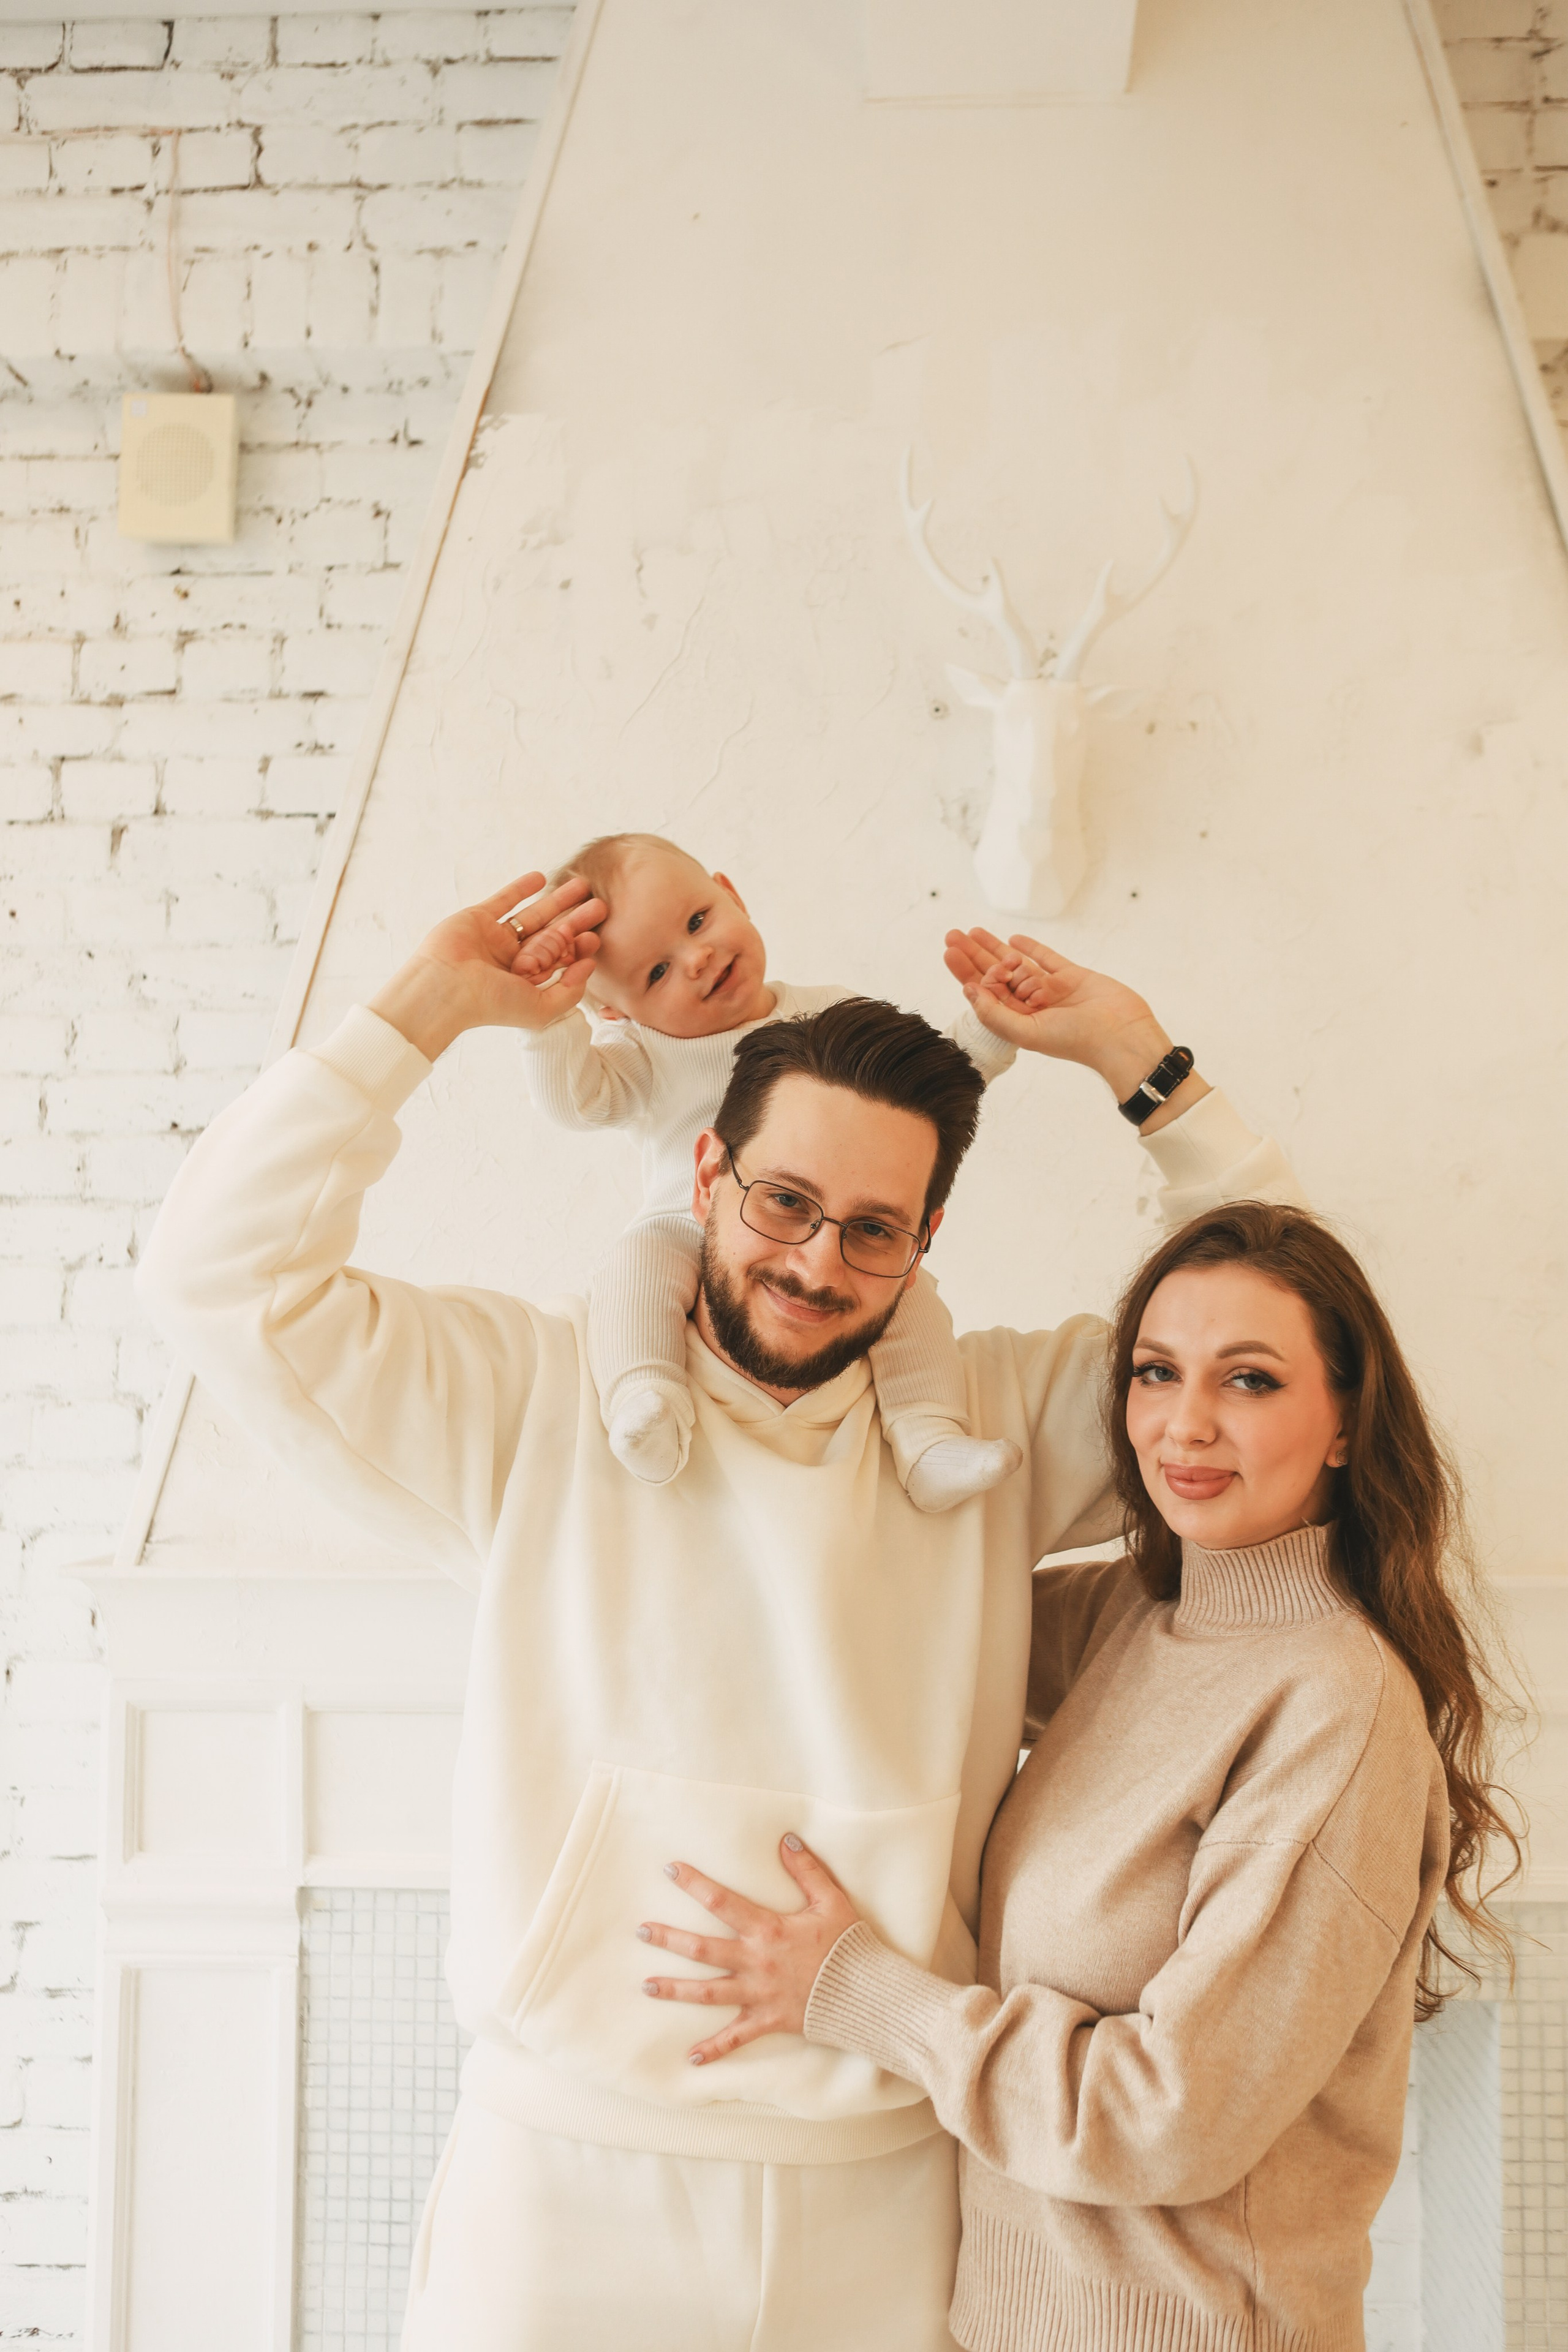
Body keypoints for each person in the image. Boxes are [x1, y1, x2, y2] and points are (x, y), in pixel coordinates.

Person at [135, 863, 1306, 2352]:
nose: (817, 1261)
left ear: (925, 1241)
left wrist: (1140, 1057)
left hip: (881, 2195)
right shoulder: (528, 1400)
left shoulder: (995, 1428)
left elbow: (1278, 1324)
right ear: (703, 1176)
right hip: (560, 2187)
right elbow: (211, 1273)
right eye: (783, 1202)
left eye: (873, 1229)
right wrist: (427, 1006)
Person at [639, 1203, 1520, 2352]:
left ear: (1347, 1422)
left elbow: (1167, 2119)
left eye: (1249, 1382)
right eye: (1157, 1373)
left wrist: (853, 1991)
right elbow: (887, 1616)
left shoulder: (1337, 1709)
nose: (1186, 1425)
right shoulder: (1127, 1619)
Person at [516, 829, 1021, 1510]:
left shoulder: (828, 1011)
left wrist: (990, 1026)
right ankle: (645, 1399)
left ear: (731, 894)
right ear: (613, 1010)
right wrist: (546, 1022)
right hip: (683, 1224)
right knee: (634, 1265)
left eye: (698, 920)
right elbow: (575, 1103)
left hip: (832, 1220)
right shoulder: (641, 1054)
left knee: (907, 1285)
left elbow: (923, 1094)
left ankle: (929, 1440)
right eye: (656, 973)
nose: (697, 959)